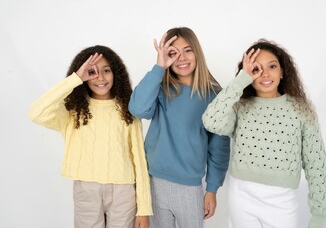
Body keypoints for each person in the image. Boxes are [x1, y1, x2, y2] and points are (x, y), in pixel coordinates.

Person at [202, 39, 326, 228]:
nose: (265, 74)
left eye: (272, 66)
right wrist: (241, 79)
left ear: (282, 71)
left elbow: (316, 164)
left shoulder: (301, 110)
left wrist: (320, 215)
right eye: (256, 69)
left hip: (282, 202)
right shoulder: (240, 107)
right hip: (241, 196)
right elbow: (211, 121)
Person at [28, 45, 152, 228]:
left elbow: (140, 161)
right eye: (92, 72)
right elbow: (36, 113)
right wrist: (75, 79)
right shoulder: (73, 111)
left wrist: (144, 209)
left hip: (123, 191)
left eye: (106, 70)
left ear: (116, 74)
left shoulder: (128, 110)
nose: (100, 77)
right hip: (86, 189)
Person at [128, 27, 230, 228]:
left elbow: (219, 147)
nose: (181, 58)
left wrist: (212, 189)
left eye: (187, 50)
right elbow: (137, 109)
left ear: (197, 52)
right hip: (154, 182)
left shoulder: (214, 95)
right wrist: (159, 68)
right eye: (173, 53)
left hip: (189, 187)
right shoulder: (161, 89)